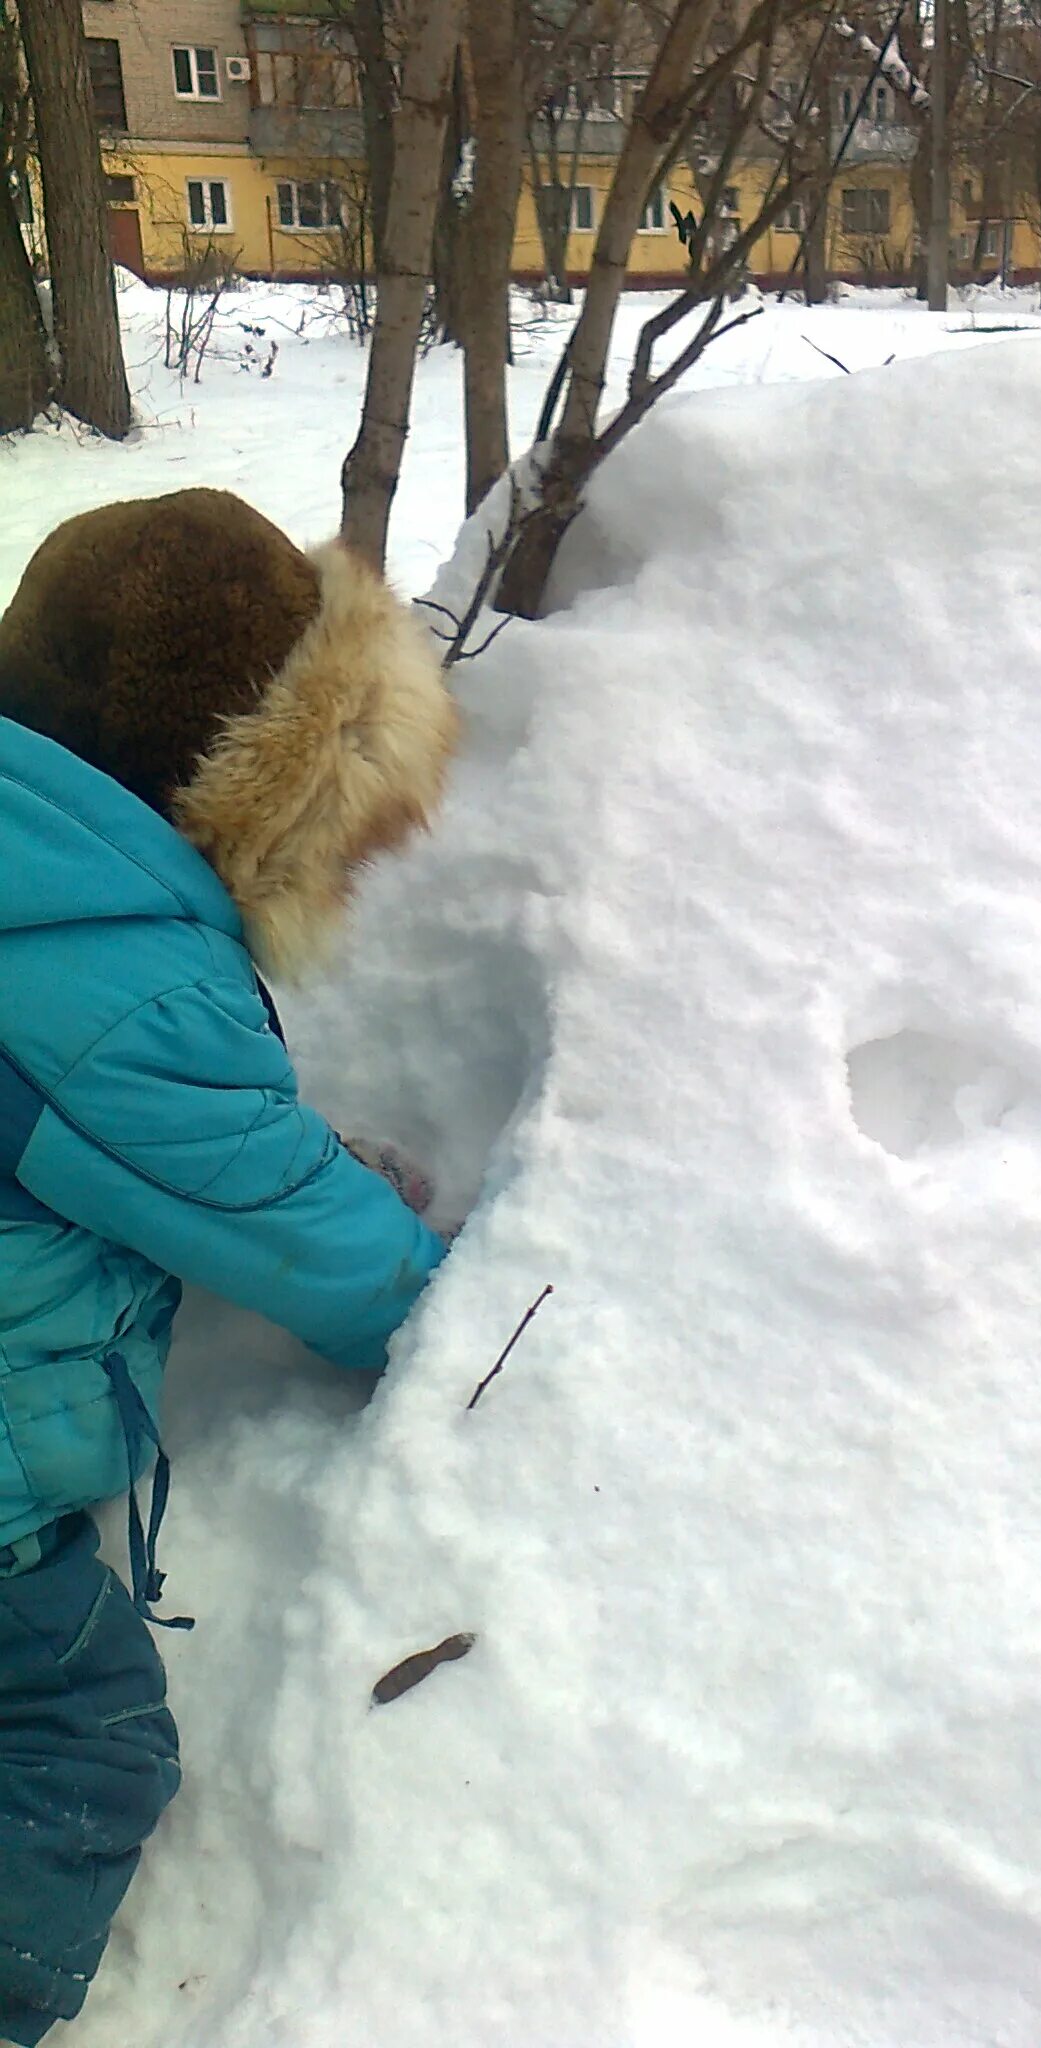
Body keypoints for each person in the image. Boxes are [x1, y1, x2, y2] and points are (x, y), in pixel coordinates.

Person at [0, 488, 460, 2045]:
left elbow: (148, 1136)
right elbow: (303, 1242)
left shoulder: (38, 877)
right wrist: (444, 1297)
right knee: (81, 1749)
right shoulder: (132, 986)